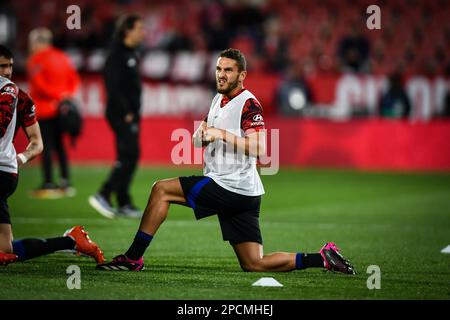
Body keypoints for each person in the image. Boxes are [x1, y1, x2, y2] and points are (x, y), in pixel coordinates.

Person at [97, 48, 355, 274]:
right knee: (254, 263)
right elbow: (202, 140)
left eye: (228, 70)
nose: (221, 74)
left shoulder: (249, 104)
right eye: (219, 69)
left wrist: (220, 134)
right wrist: (202, 137)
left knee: (161, 190)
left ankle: (132, 257)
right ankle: (322, 259)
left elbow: (259, 147)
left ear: (241, 75)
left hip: (228, 187)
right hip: (244, 193)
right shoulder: (217, 100)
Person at [0, 45, 104, 266]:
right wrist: (17, 160)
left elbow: (37, 144)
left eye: (9, 66)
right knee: (6, 249)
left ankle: (58, 182)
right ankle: (70, 241)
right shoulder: (24, 96)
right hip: (7, 173)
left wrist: (19, 159)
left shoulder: (14, 93)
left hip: (4, 171)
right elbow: (36, 144)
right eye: (3, 67)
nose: (8, 72)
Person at [89, 14, 145, 218]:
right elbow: (112, 87)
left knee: (129, 155)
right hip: (121, 114)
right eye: (139, 28)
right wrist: (126, 111)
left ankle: (123, 201)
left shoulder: (131, 53)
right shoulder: (117, 55)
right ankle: (103, 193)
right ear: (127, 30)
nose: (143, 32)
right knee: (129, 154)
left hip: (130, 114)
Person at [27, 28, 80, 198]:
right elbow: (74, 80)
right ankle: (65, 182)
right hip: (61, 109)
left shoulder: (35, 59)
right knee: (60, 146)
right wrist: (65, 96)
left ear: (38, 42)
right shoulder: (63, 57)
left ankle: (49, 183)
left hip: (44, 109)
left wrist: (56, 96)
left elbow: (39, 84)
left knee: (46, 147)